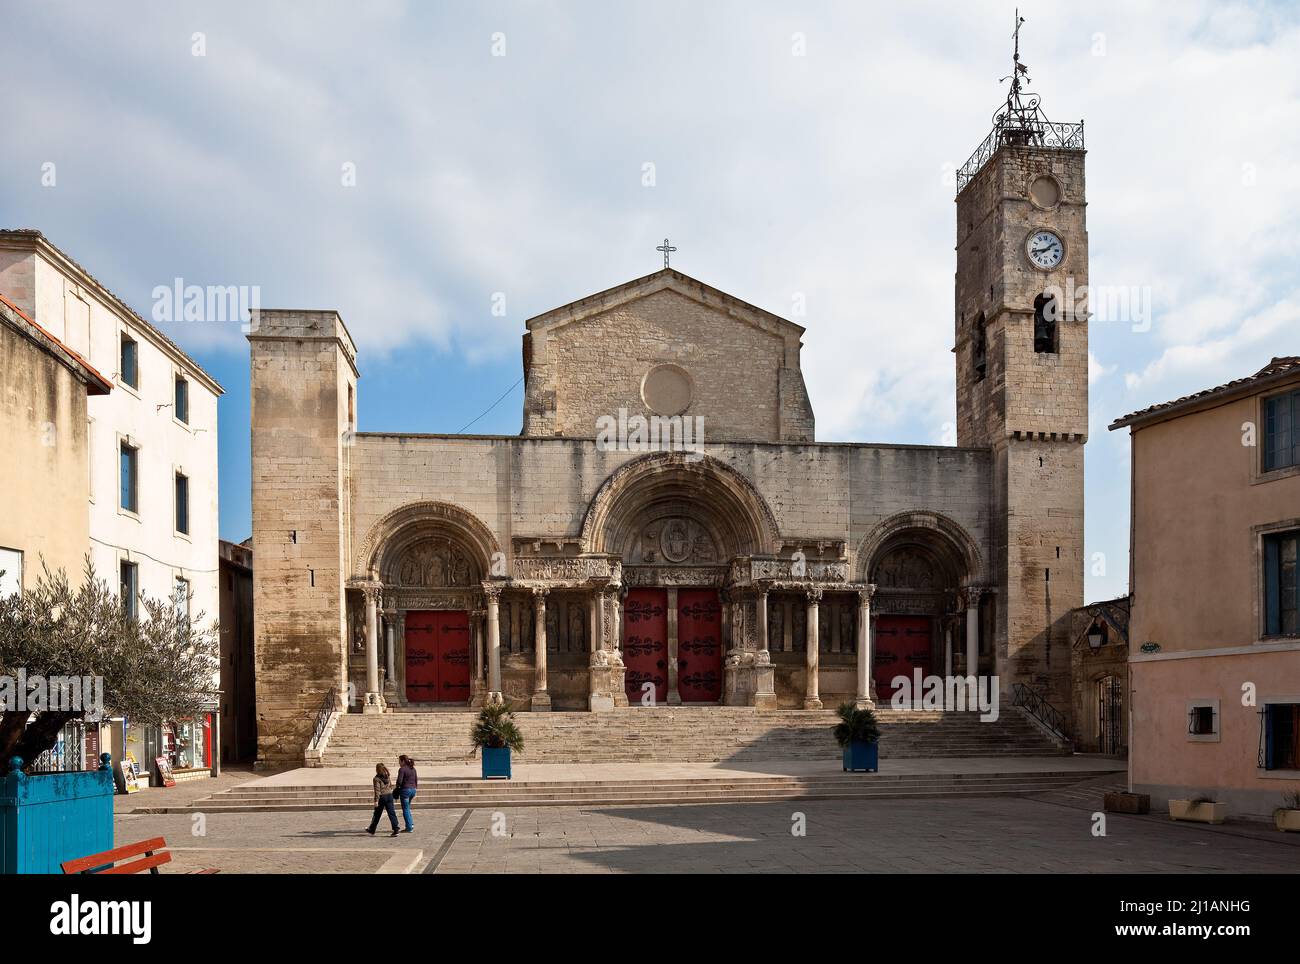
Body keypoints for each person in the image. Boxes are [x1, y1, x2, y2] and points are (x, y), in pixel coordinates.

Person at [366, 762, 400, 837]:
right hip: (389, 795)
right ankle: (396, 829)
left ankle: (372, 829)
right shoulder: (387, 776)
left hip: (382, 797)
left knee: (377, 814)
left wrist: (376, 801)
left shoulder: (376, 779)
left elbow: (377, 790)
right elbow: (391, 785)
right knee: (392, 813)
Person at [395, 754, 418, 833]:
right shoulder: (413, 769)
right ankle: (411, 824)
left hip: (405, 791)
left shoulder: (402, 769)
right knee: (407, 807)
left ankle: (409, 827)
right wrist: (415, 788)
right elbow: (416, 780)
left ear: (403, 761)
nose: (399, 763)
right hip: (413, 790)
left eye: (399, 761)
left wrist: (397, 788)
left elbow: (399, 781)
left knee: (405, 809)